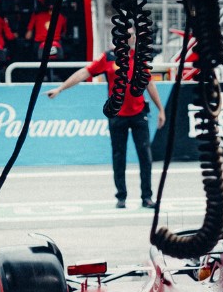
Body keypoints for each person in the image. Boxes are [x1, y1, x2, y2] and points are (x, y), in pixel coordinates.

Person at [49, 33, 164, 209]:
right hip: (117, 116)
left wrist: (161, 109)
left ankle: (147, 197)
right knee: (119, 156)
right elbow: (84, 73)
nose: (132, 38)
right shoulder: (108, 57)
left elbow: (149, 84)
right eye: (128, 35)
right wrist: (60, 88)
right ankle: (121, 196)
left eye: (133, 35)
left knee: (145, 157)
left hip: (139, 113)